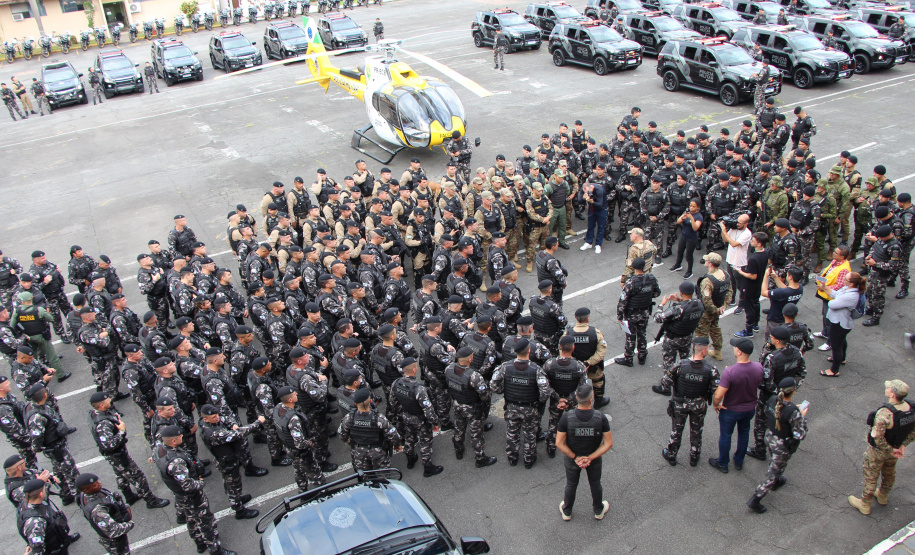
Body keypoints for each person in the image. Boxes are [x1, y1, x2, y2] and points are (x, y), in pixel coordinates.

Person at [154, 425, 236, 555]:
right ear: (173, 441)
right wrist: (200, 483)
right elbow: (188, 485)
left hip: (180, 495)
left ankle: (200, 543)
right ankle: (215, 549)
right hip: (191, 497)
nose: (182, 437)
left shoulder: (159, 449)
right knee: (206, 522)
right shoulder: (176, 462)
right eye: (180, 436)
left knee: (191, 520)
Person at [88, 392, 170, 509]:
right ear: (101, 405)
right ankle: (150, 500)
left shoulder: (95, 414)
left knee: (120, 474)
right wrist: (122, 431)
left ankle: (129, 496)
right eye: (107, 399)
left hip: (114, 455)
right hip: (117, 454)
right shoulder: (103, 423)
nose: (110, 400)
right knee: (137, 476)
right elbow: (109, 445)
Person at [849, 380, 915, 515]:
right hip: (896, 448)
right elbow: (913, 431)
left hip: (879, 452)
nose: (886, 388)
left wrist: (891, 450)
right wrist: (902, 446)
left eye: (888, 387)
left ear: (892, 394)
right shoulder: (911, 409)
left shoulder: (885, 413)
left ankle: (865, 504)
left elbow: (878, 438)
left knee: (871, 476)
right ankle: (883, 495)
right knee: (889, 472)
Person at [747, 377, 809, 513]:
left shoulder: (772, 400)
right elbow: (800, 434)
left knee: (774, 461)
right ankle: (756, 499)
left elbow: (767, 414)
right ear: (793, 391)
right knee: (774, 472)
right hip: (782, 444)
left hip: (770, 437)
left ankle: (777, 480)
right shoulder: (793, 412)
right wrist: (802, 417)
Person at [746, 325, 806, 460]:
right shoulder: (797, 352)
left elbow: (765, 378)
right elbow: (802, 372)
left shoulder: (772, 357)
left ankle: (760, 450)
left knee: (761, 423)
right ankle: (777, 448)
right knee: (781, 420)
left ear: (777, 341)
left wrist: (777, 392)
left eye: (771, 337)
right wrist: (791, 388)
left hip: (769, 395)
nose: (770, 338)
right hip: (786, 394)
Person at [490, 339, 551, 468]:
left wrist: (503, 390)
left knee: (512, 433)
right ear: (529, 351)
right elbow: (545, 392)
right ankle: (529, 460)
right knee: (530, 435)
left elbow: (493, 384)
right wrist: (538, 401)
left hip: (511, 407)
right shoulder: (536, 370)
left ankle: (512, 457)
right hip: (530, 408)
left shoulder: (505, 367)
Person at [660, 337, 720, 467]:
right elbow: (716, 390)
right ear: (704, 351)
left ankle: (672, 455)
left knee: (676, 430)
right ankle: (694, 457)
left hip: (680, 403)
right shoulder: (711, 369)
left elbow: (665, 382)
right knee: (696, 430)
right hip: (699, 404)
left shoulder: (680, 365)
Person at [556, 383, 613, 521]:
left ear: (576, 398)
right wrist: (590, 458)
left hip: (572, 458)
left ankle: (567, 512)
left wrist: (575, 457)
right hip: (593, 457)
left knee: (571, 484)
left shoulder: (566, 417)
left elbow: (559, 443)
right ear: (591, 399)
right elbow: (608, 443)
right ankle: (598, 510)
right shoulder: (600, 418)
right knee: (595, 483)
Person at [709, 337, 764, 473]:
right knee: (744, 433)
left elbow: (718, 395)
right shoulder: (758, 367)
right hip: (749, 408)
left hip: (731, 410)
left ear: (739, 352)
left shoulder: (730, 372)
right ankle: (739, 460)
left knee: (726, 435)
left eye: (735, 347)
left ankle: (723, 463)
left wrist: (716, 404)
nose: (733, 348)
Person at [389, 358, 444, 477]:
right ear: (414, 370)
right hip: (420, 420)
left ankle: (410, 458)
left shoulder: (396, 383)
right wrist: (435, 422)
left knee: (409, 437)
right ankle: (428, 467)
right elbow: (428, 409)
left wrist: (402, 413)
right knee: (425, 442)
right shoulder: (418, 388)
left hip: (406, 416)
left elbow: (392, 402)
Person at [25, 384, 79, 505]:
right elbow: (36, 437)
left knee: (59, 471)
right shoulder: (37, 416)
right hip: (55, 448)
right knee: (71, 473)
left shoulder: (38, 407)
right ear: (45, 395)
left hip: (56, 446)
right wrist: (38, 448)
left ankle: (66, 495)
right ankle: (80, 498)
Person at [444, 347, 497, 467]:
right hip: (472, 408)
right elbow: (485, 396)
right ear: (470, 359)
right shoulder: (474, 376)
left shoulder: (448, 369)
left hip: (457, 404)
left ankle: (459, 450)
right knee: (476, 433)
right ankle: (480, 458)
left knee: (459, 428)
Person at [339, 387, 403, 471]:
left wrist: (351, 442)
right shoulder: (379, 419)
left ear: (355, 404)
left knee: (364, 474)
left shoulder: (349, 418)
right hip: (378, 451)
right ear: (370, 401)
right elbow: (393, 435)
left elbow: (342, 435)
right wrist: (397, 445)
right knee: (383, 473)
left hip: (358, 451)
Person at [74, 472, 138, 555]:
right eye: (95, 485)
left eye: (97, 482)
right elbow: (113, 531)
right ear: (86, 490)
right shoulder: (98, 511)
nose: (99, 483)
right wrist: (130, 524)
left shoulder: (90, 493)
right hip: (115, 542)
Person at [614, 257, 661, 367]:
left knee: (631, 336)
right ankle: (642, 356)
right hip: (645, 311)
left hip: (632, 314)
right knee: (642, 333)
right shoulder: (651, 279)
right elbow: (657, 293)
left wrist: (619, 316)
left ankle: (628, 358)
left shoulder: (631, 282)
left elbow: (623, 301)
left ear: (633, 267)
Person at [17, 477, 81, 553]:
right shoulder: (36, 522)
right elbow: (37, 550)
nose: (46, 490)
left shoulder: (29, 501)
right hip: (54, 550)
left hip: (59, 537)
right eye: (44, 489)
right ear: (40, 494)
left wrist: (50, 479)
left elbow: (46, 488)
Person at [821, 272, 865, 377]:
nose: (843, 280)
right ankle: (842, 359)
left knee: (836, 346)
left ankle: (834, 370)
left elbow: (832, 304)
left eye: (846, 279)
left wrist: (833, 299)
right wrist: (825, 287)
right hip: (842, 323)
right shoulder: (848, 289)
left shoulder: (851, 296)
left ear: (851, 283)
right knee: (842, 341)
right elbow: (836, 294)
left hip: (840, 323)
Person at [567, 308, 610, 408]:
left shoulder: (568, 334)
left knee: (573, 384)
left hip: (575, 368)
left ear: (575, 317)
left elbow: (563, 351)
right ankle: (599, 400)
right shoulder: (596, 333)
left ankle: (574, 404)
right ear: (588, 318)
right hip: (593, 367)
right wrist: (588, 362)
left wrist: (577, 363)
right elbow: (601, 352)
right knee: (598, 381)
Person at [863, 224, 902, 327]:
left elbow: (893, 266)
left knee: (878, 296)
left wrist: (875, 264)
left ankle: (876, 317)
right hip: (873, 271)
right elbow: (875, 248)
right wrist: (870, 256)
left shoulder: (894, 247)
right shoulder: (881, 240)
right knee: (870, 291)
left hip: (881, 275)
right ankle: (871, 308)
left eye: (881, 237)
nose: (879, 239)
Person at [814, 245, 851, 352]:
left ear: (842, 257)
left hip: (831, 296)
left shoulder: (844, 269)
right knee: (825, 315)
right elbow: (828, 275)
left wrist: (825, 288)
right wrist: (820, 280)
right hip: (825, 293)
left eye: (836, 253)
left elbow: (839, 285)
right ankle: (825, 332)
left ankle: (830, 342)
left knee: (830, 319)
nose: (833, 253)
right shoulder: (835, 262)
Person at [695, 253, 731, 361]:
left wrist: (715, 310)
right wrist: (723, 306)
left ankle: (699, 356)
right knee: (715, 328)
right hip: (719, 306)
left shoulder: (707, 281)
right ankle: (717, 351)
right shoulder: (725, 274)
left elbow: (706, 300)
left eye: (707, 260)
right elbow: (729, 292)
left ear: (710, 264)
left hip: (707, 311)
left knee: (701, 333)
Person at [733, 233, 769, 338]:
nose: (751, 241)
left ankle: (748, 330)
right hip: (758, 285)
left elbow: (753, 276)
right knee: (756, 304)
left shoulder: (754, 259)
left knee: (749, 308)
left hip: (750, 286)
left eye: (753, 240)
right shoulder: (765, 253)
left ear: (759, 243)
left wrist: (740, 271)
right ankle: (755, 324)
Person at [720, 213, 752, 310]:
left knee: (741, 285)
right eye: (737, 222)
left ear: (746, 224)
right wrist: (723, 230)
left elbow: (734, 244)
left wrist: (724, 231)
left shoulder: (747, 233)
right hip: (730, 259)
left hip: (739, 263)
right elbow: (725, 239)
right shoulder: (734, 229)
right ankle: (732, 299)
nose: (737, 224)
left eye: (740, 223)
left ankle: (742, 304)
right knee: (731, 282)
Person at [670, 199, 703, 278]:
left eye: (694, 206)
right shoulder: (686, 212)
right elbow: (678, 222)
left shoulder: (699, 217)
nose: (691, 208)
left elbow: (695, 228)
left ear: (698, 207)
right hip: (684, 235)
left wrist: (691, 218)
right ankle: (678, 265)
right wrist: (683, 217)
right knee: (680, 251)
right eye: (690, 206)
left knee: (689, 255)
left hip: (692, 238)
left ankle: (689, 271)